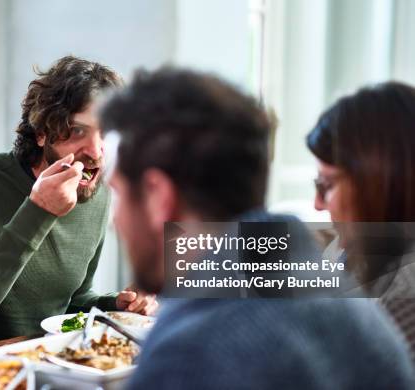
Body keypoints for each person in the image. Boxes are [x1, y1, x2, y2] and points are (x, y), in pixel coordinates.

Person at [99, 68, 415, 389]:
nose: (115, 218)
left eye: (117, 192)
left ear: (158, 196)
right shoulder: (343, 301)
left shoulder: (194, 349)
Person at [0, 56, 157, 349]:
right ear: (40, 132)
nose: (97, 153)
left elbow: (70, 307)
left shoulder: (97, 194)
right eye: (77, 131)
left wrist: (115, 308)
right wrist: (38, 211)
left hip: (45, 359)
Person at [306, 81, 415, 360]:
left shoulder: (404, 303)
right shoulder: (361, 260)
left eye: (325, 185)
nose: (318, 204)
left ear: (377, 182)